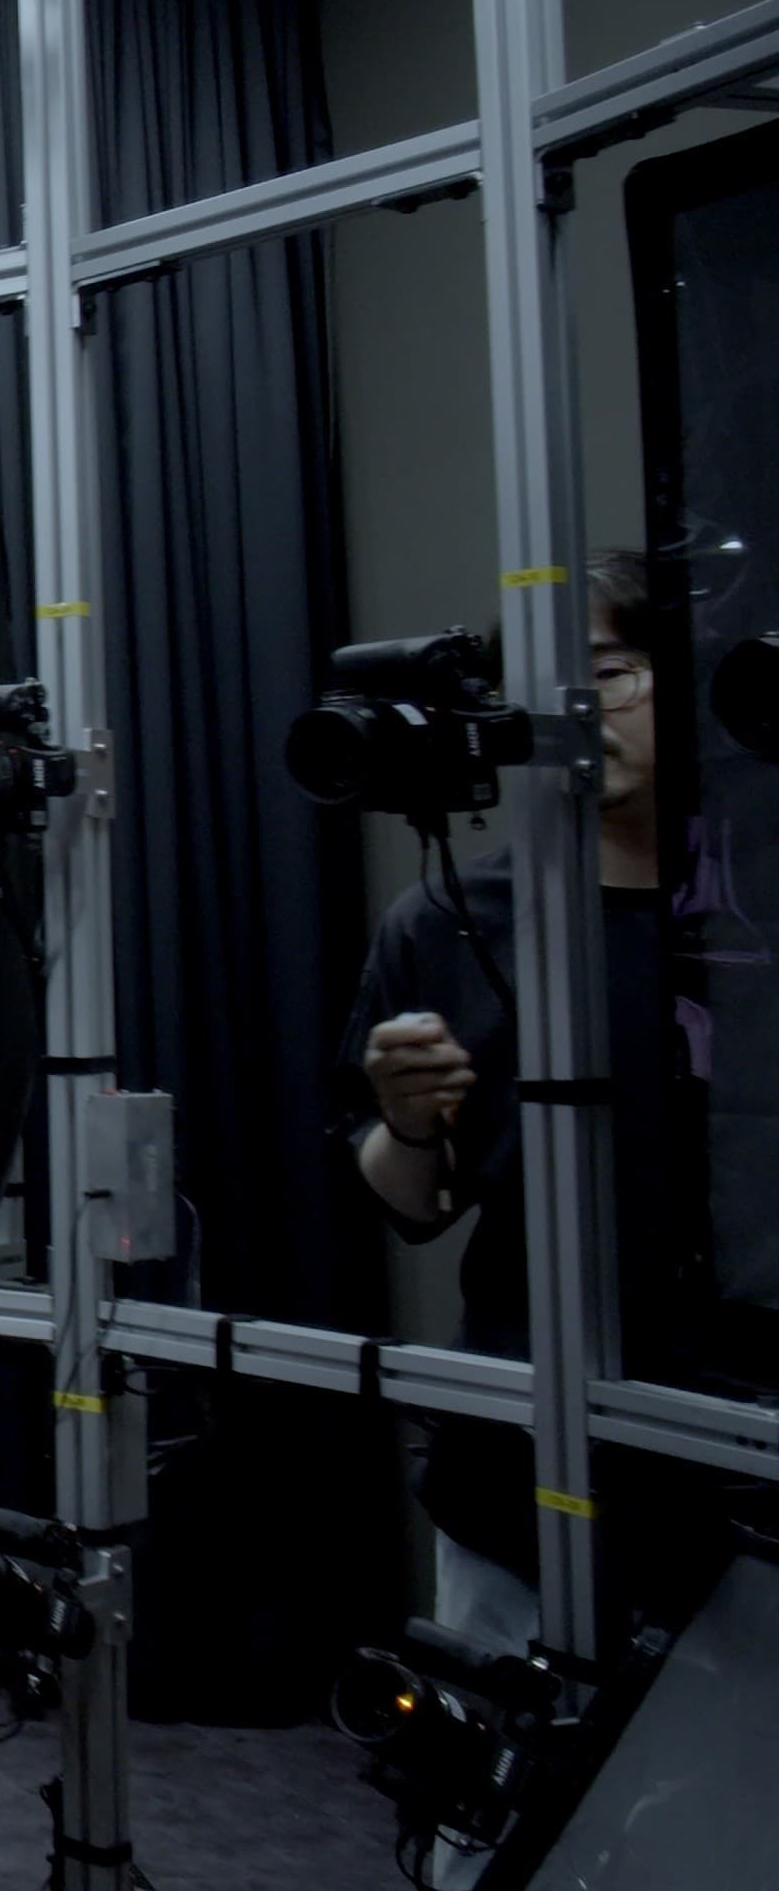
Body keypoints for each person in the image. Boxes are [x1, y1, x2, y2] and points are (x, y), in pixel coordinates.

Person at [339, 552, 740, 1647]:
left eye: (607, 674)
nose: (576, 714)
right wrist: (407, 1121)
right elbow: (413, 1204)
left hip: (739, 1464)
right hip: (520, 1473)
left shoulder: (751, 909)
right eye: (542, 688)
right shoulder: (448, 920)